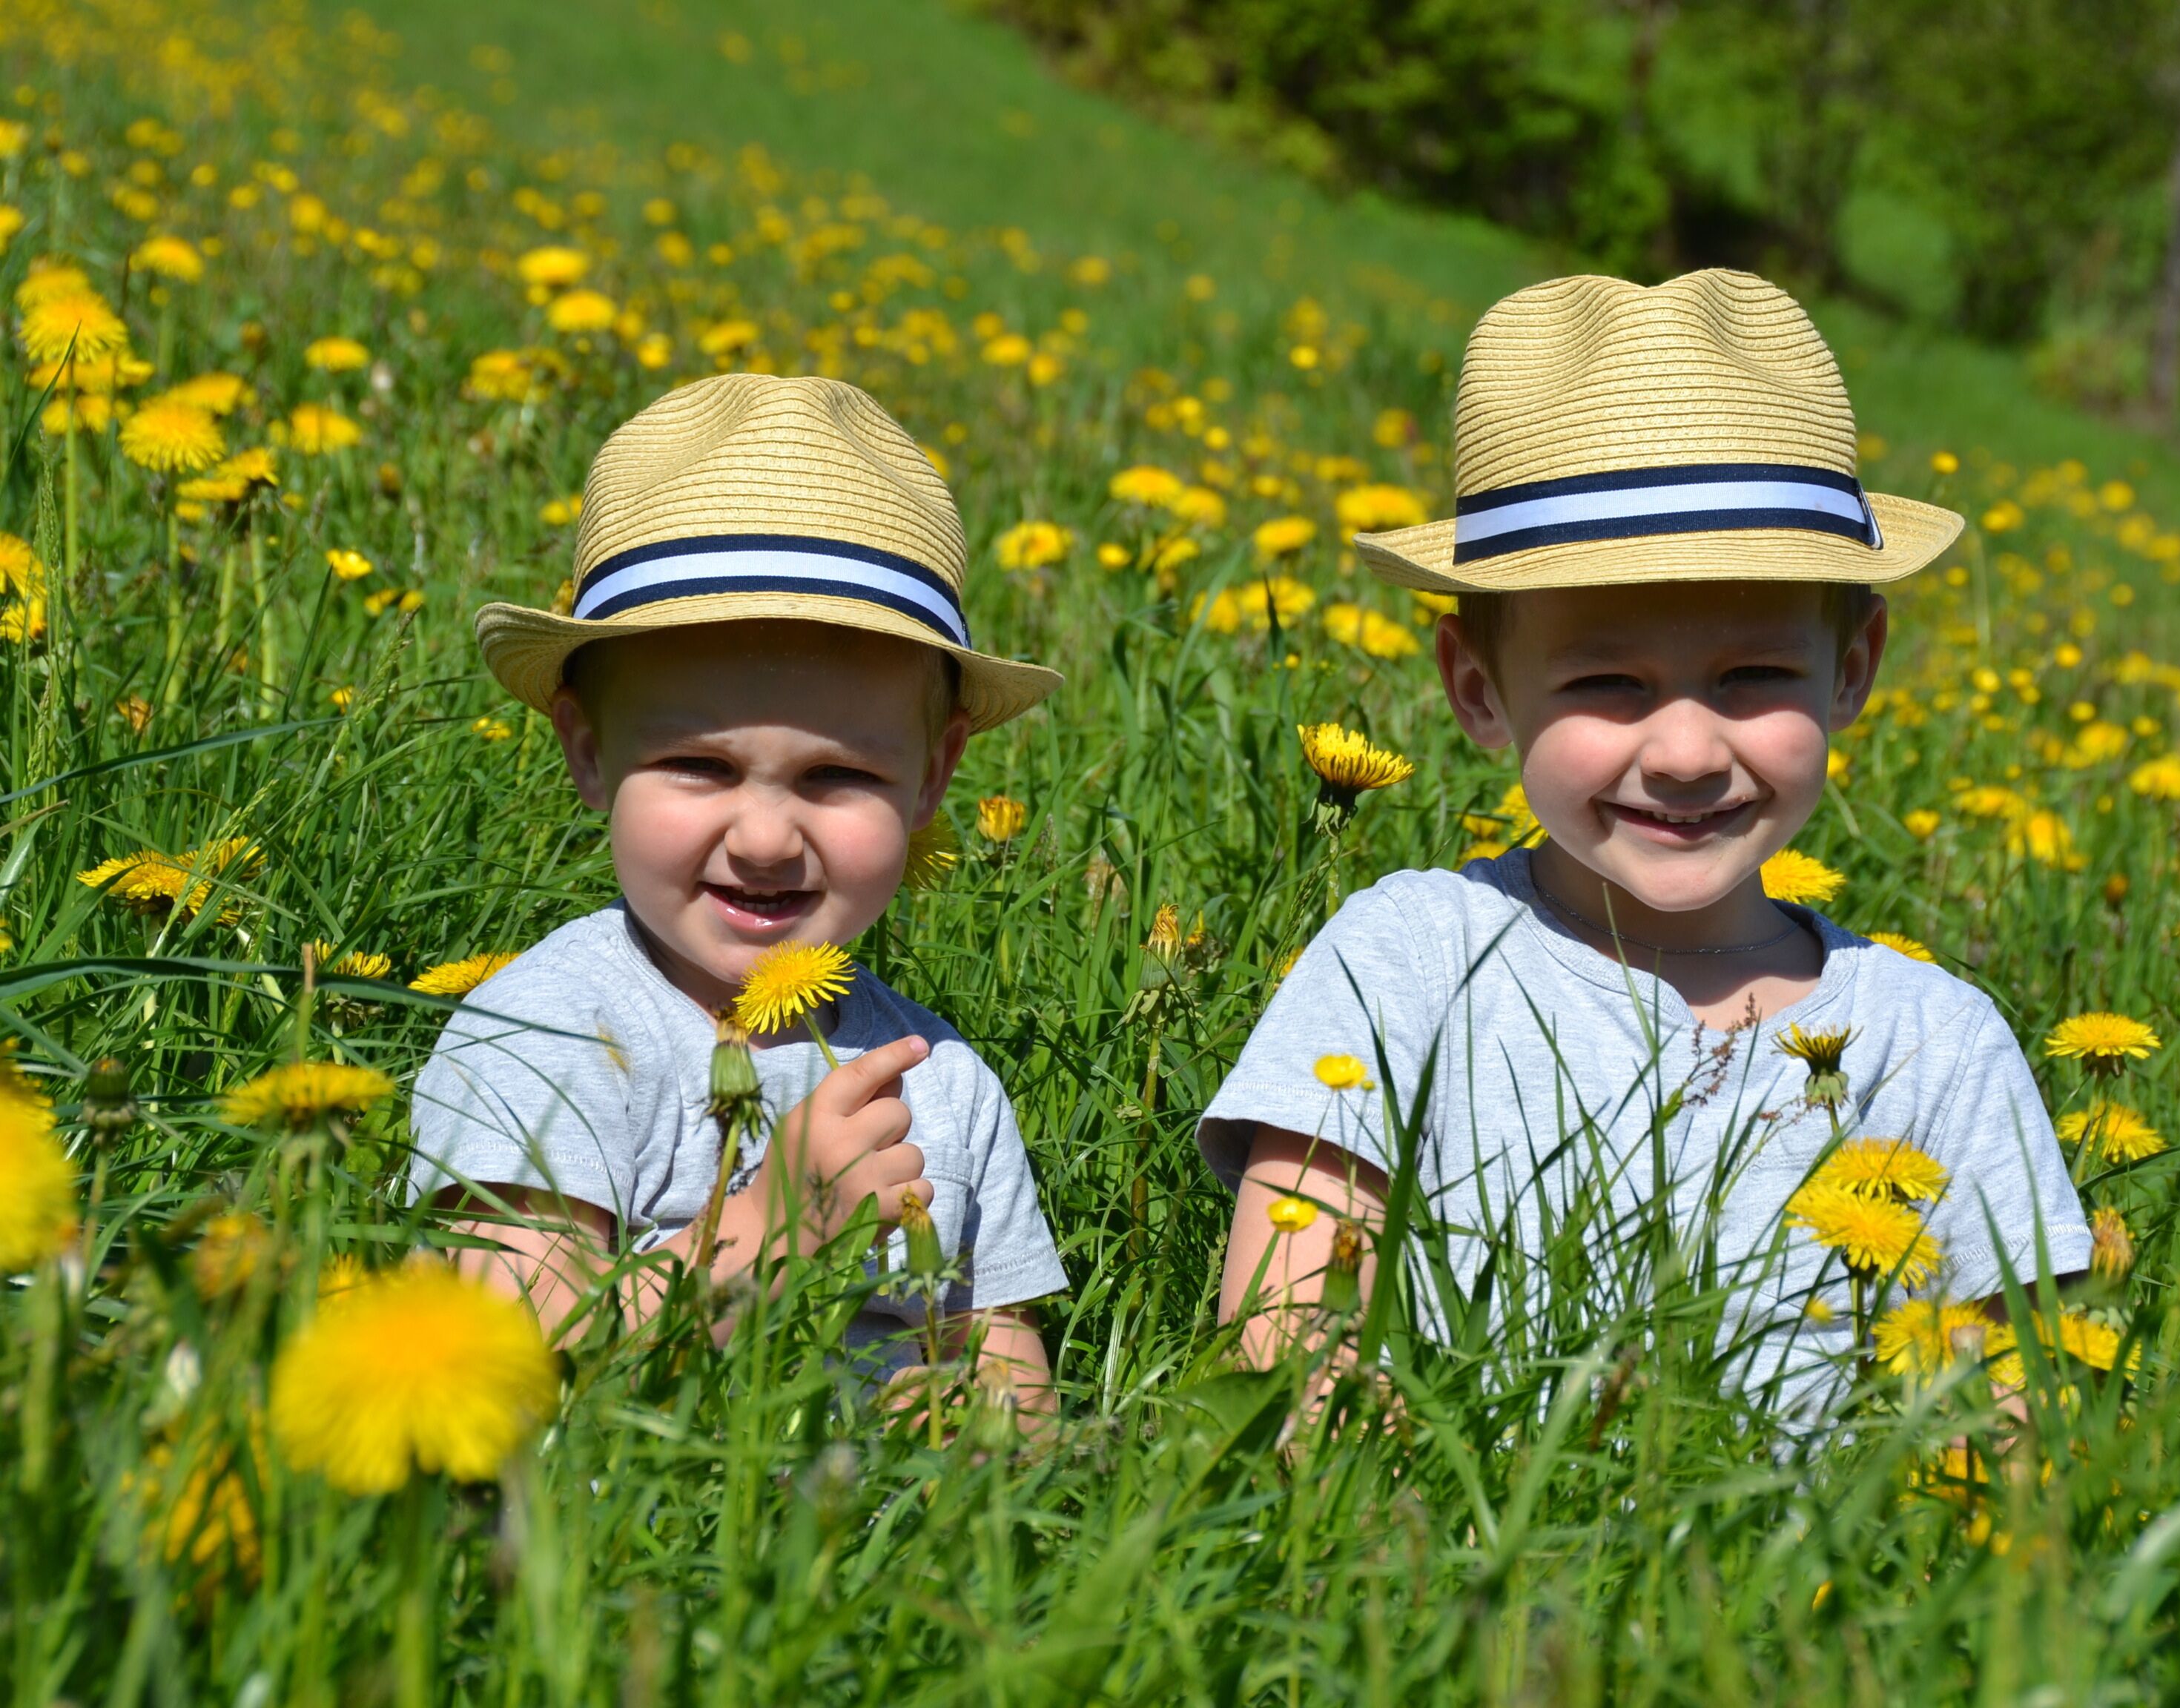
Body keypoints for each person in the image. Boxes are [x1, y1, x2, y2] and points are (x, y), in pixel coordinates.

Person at [1200, 270, 2091, 1419]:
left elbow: (2014, 1436)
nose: (1683, 751)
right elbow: (1283, 1356)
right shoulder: (1407, 966)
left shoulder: (1936, 1050)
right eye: (1608, 682)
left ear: (1854, 670)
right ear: (1478, 689)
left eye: (1753, 675)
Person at [410, 373, 1066, 1417]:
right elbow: (516, 1359)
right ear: (589, 752)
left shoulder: (942, 1081)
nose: (764, 838)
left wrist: (989, 1440)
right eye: (700, 767)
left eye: (837, 775)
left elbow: (1002, 1365)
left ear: (932, 779)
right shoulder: (548, 1033)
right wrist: (775, 1230)